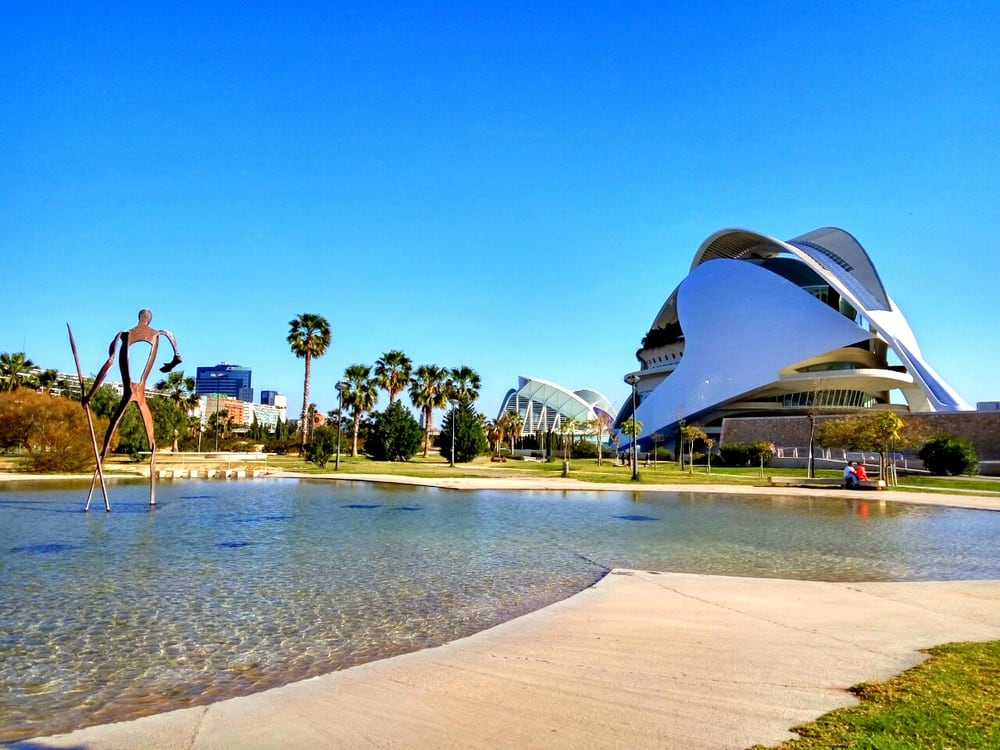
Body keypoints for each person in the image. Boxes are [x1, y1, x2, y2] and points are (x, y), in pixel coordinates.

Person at [83, 309, 182, 506]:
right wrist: (170, 365)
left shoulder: (123, 334)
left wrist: (90, 395)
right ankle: (152, 500)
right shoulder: (160, 333)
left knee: (106, 445)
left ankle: (93, 495)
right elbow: (178, 355)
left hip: (129, 392)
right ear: (149, 318)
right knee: (152, 445)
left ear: (139, 317)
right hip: (141, 394)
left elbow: (109, 363)